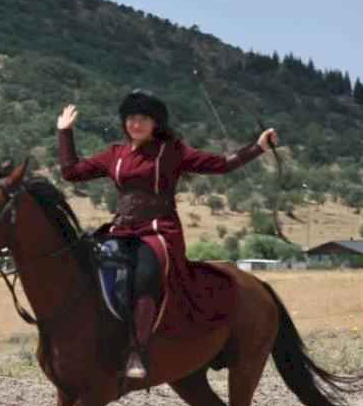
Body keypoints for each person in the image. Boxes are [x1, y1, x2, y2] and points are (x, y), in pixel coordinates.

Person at [56, 89, 278, 379]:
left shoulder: (171, 151)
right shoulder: (115, 154)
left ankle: (138, 351)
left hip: (159, 231)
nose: (136, 124)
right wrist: (64, 132)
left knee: (146, 273)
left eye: (143, 119)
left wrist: (257, 147)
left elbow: (221, 165)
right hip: (121, 230)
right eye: (131, 118)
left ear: (155, 123)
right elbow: (71, 172)